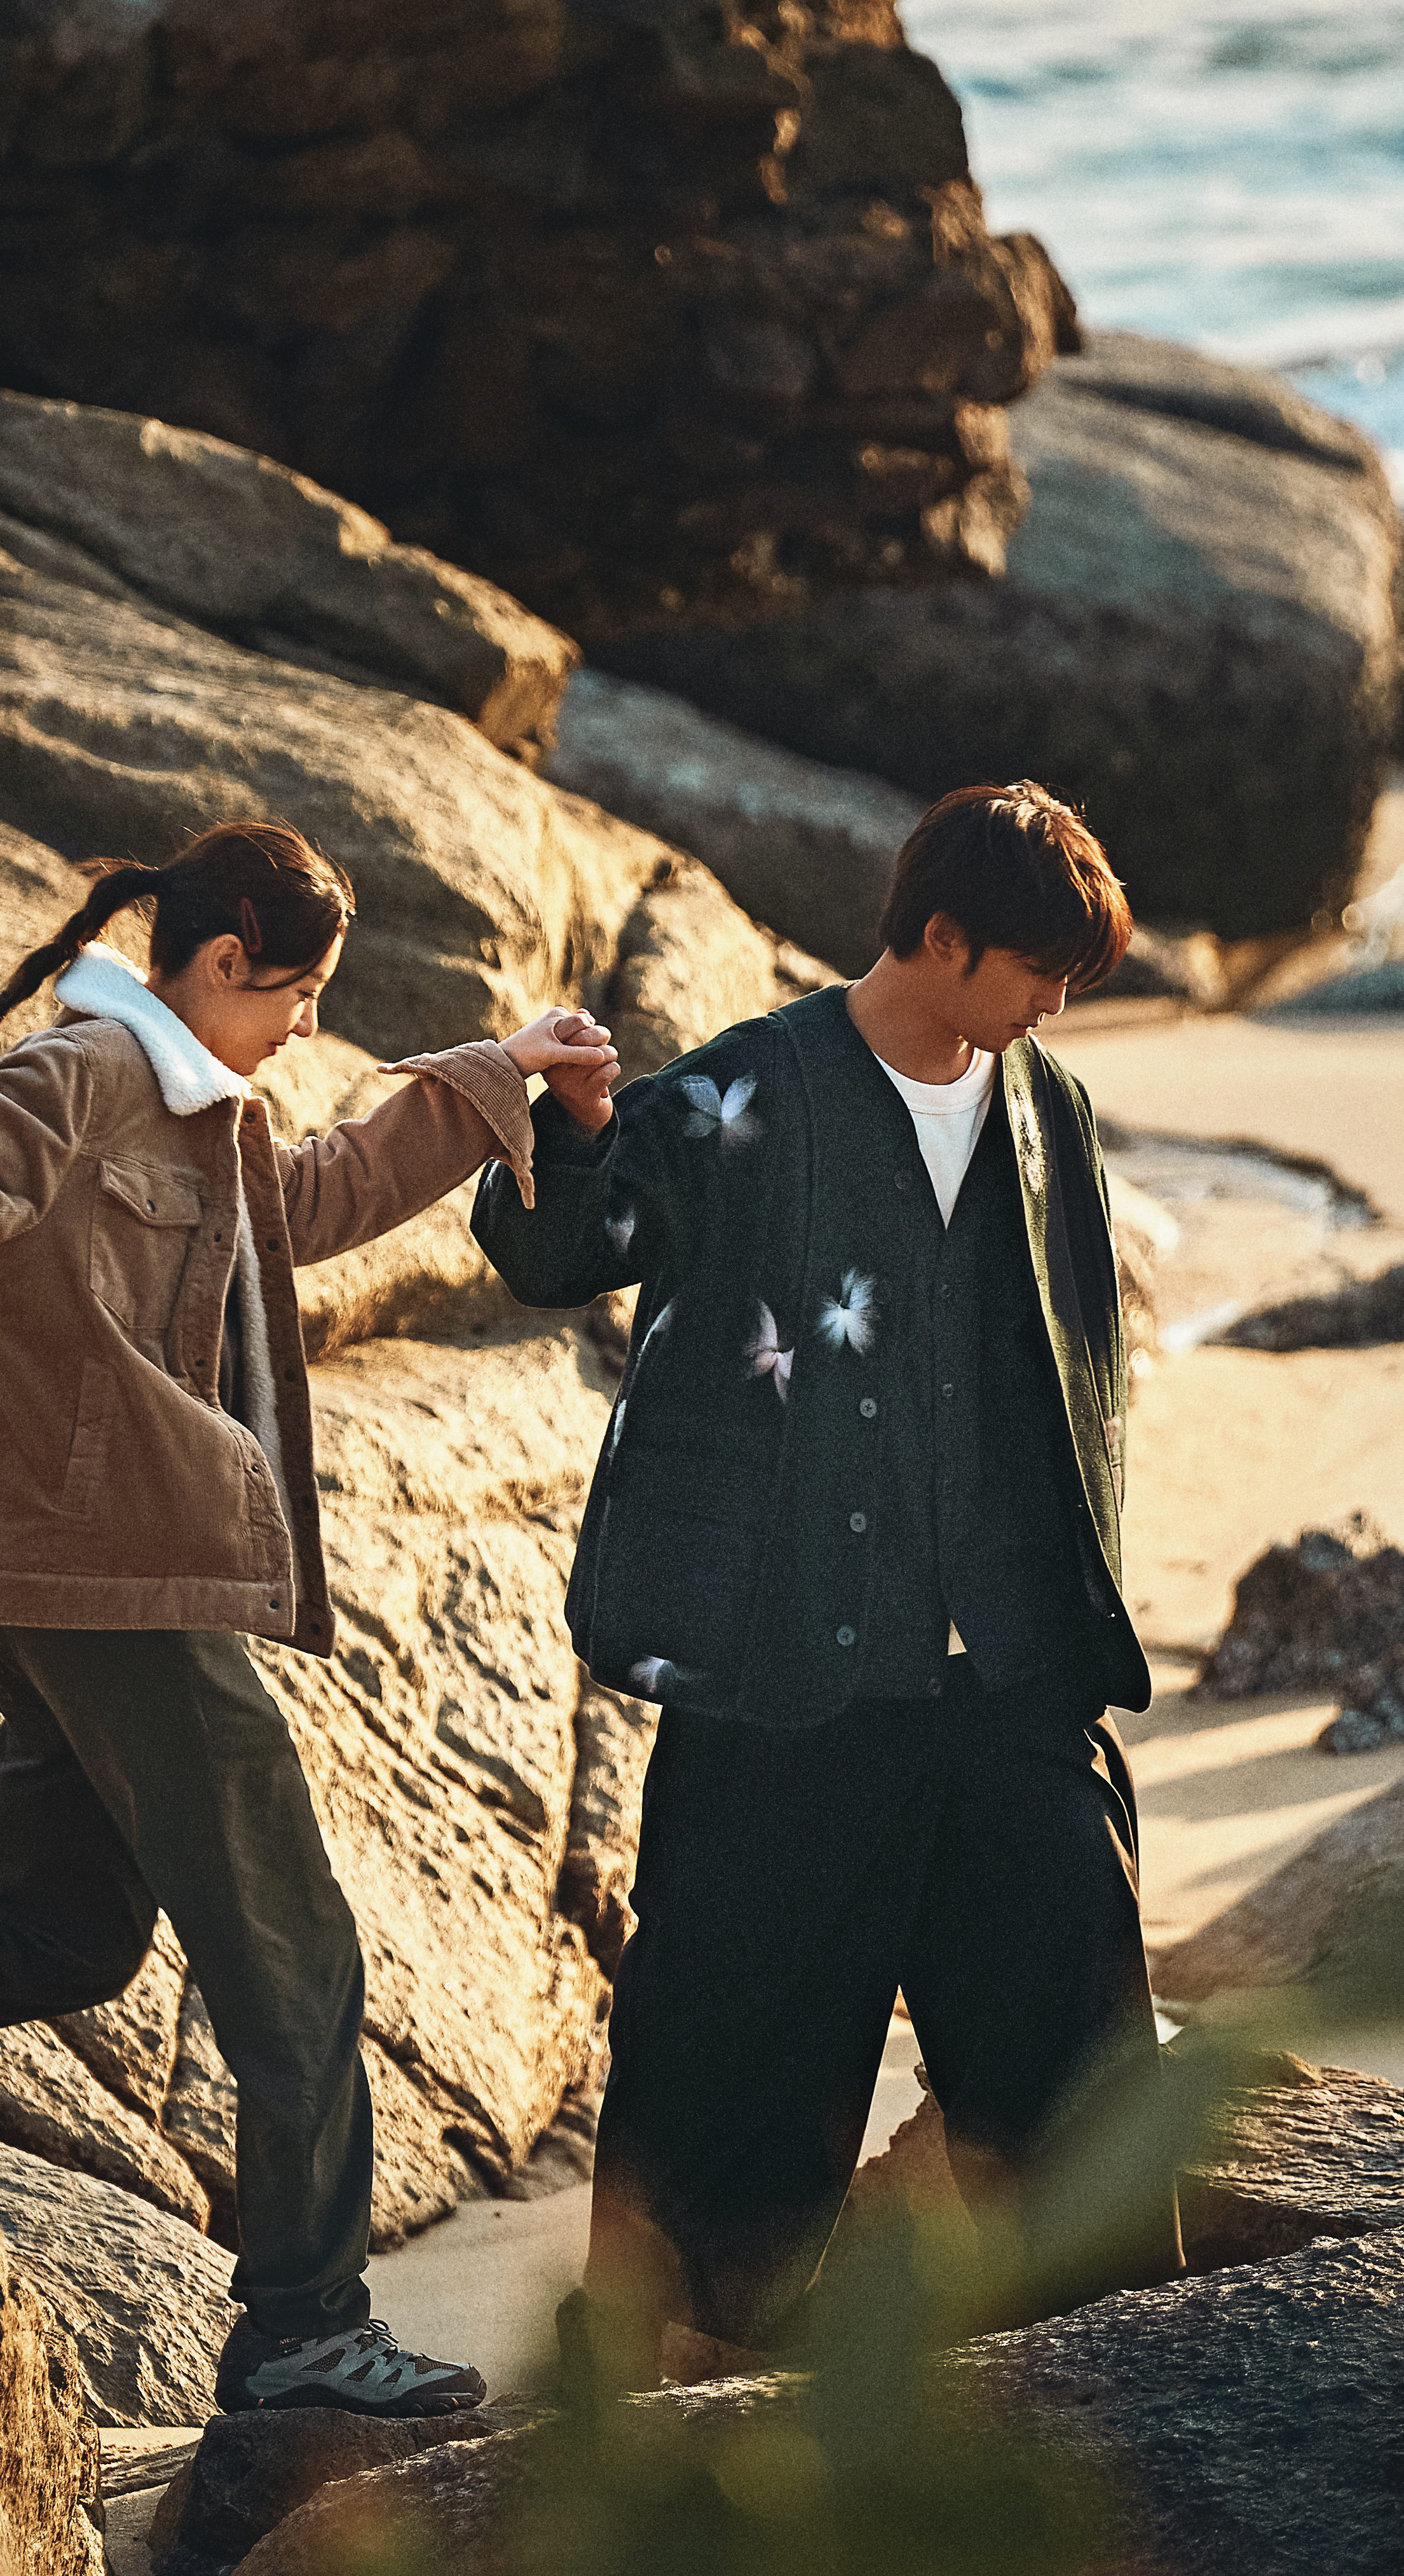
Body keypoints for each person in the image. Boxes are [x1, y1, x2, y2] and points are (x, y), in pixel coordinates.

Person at [0, 818, 620, 2418]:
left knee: (61, 1934)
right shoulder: (89, 1074)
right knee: (295, 1964)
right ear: (218, 963)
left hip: (72, 1580)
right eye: (295, 994)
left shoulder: (198, 1105)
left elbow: (317, 1196)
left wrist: (487, 1072)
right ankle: (304, 2331)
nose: (305, 1025)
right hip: (108, 1581)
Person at [468, 781, 1171, 2353]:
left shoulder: (1044, 1106)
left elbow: (1083, 1379)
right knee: (729, 2078)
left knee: (1080, 2065)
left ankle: (1118, 2391)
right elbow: (550, 1251)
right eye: (1037, 970)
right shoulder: (759, 1087)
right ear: (938, 937)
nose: (1057, 1004)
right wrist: (571, 1128)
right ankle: (674, 2406)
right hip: (787, 1683)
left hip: (1007, 1684)